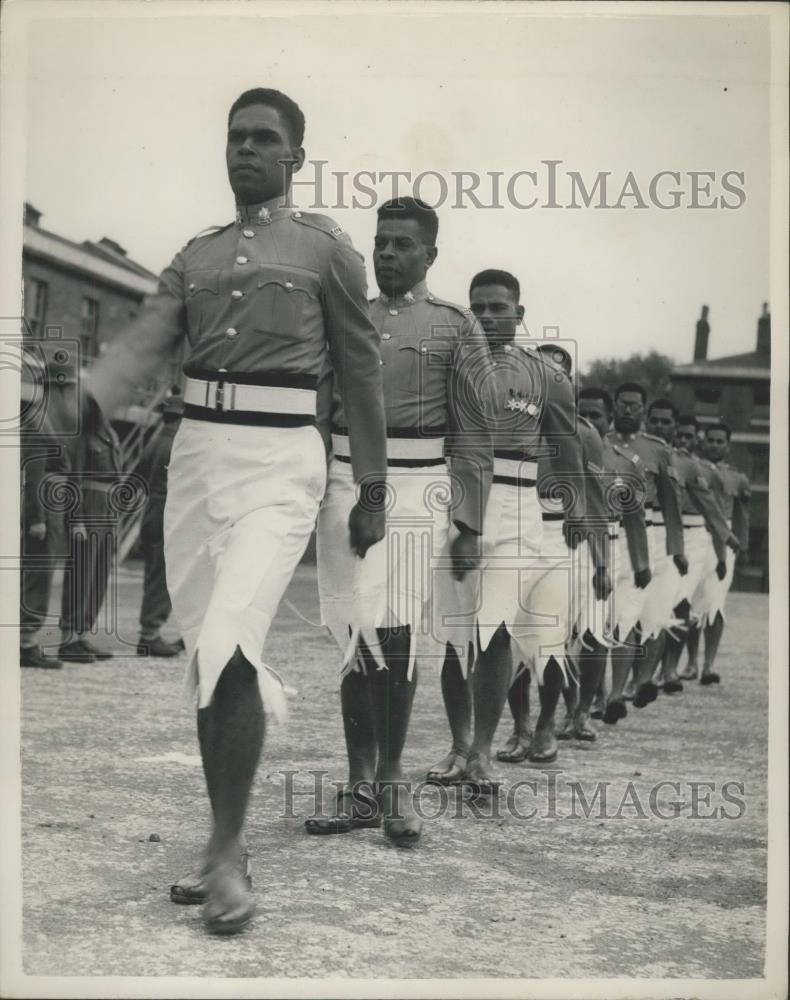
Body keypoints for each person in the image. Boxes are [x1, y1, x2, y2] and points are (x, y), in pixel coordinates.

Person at [87, 88, 387, 934]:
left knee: (227, 641)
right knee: (207, 654)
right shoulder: (196, 254)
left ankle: (223, 853)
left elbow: (360, 375)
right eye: (235, 138)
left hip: (282, 457)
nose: (245, 151)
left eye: (264, 140)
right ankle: (230, 841)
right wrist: (78, 410)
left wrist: (371, 486)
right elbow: (145, 343)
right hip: (198, 457)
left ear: (296, 156)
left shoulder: (328, 251)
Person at [308, 199, 493, 845]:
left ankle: (392, 781)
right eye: (381, 242)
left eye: (402, 245)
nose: (387, 253)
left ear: (429, 255)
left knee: (396, 631)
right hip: (342, 476)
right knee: (354, 629)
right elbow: (321, 403)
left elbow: (474, 430)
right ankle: (360, 784)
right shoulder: (346, 313)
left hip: (419, 487)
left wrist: (469, 522)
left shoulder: (454, 325)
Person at [426, 272, 585, 786]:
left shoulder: (547, 376)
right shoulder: (453, 365)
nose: (489, 317)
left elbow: (566, 444)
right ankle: (456, 745)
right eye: (479, 308)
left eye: (499, 307)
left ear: (520, 313)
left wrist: (577, 502)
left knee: (492, 628)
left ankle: (482, 751)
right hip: (458, 499)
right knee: (455, 634)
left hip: (518, 507)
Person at [498, 345, 607, 760]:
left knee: (549, 639)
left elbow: (593, 500)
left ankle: (545, 726)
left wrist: (600, 562)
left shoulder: (582, 434)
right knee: (506, 637)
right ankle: (519, 728)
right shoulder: (507, 421)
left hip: (561, 538)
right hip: (512, 531)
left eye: (556, 373)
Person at [602, 383, 685, 723]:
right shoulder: (599, 443)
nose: (627, 411)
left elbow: (671, 503)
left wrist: (676, 549)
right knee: (603, 616)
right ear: (615, 407)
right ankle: (608, 691)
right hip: (603, 528)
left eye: (634, 406)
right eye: (622, 404)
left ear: (643, 410)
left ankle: (616, 692)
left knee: (632, 614)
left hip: (644, 533)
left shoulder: (658, 451)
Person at [576, 387, 651, 724]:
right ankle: (594, 695)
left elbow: (634, 517)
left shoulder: (626, 462)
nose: (589, 422)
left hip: (610, 541)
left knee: (608, 622)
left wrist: (641, 563)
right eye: (584, 414)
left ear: (608, 421)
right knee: (577, 626)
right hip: (570, 539)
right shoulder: (564, 449)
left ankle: (603, 697)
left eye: (596, 416)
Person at [651, 411, 738, 691]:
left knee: (691, 602)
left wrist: (727, 546)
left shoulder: (699, 469)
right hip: (661, 531)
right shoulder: (661, 458)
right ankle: (657, 670)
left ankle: (677, 668)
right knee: (663, 602)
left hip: (700, 536)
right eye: (681, 434)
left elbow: (715, 510)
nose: (684, 440)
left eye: (690, 436)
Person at [58, 376, 123, 663]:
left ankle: (82, 633)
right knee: (81, 572)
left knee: (98, 574)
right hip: (89, 507)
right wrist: (77, 520)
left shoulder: (109, 433)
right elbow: (74, 479)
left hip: (108, 509)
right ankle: (68, 638)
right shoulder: (81, 435)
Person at [680, 421, 750, 684]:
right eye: (710, 440)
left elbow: (742, 515)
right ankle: (690, 663)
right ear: (702, 441)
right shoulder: (693, 468)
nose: (715, 445)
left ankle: (708, 664)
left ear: (728, 446)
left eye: (720, 441)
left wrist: (740, 546)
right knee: (690, 601)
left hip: (725, 540)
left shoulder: (737, 478)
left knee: (715, 602)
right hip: (696, 533)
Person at [20, 358, 68, 669]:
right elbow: (34, 473)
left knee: (43, 573)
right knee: (38, 575)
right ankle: (25, 643)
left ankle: (26, 639)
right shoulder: (41, 420)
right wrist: (35, 518)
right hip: (44, 507)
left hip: (52, 504)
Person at [136, 394, 185, 657]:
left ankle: (149, 631)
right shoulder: (180, 440)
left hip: (152, 509)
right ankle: (150, 635)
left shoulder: (155, 439)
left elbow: (139, 475)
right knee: (164, 576)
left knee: (153, 574)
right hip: (170, 509)